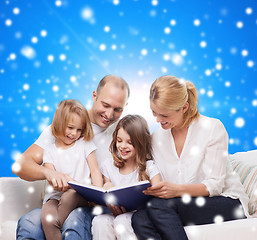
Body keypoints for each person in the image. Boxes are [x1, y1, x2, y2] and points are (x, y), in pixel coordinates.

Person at [131, 75, 250, 240]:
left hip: (226, 201)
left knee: (158, 206)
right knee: (139, 219)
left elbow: (215, 185)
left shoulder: (212, 128)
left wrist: (176, 190)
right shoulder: (157, 138)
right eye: (154, 113)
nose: (158, 120)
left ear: (184, 107)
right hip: (179, 204)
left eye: (164, 115)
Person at [12, 75, 130, 240]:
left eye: (118, 109)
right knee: (29, 223)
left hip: (90, 207)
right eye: (105, 105)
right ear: (94, 96)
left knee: (74, 220)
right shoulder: (62, 128)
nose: (109, 114)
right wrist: (49, 173)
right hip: (58, 202)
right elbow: (20, 166)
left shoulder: (122, 135)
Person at [91, 114, 161, 240]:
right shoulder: (108, 166)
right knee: (100, 221)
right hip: (115, 213)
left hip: (139, 216)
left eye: (130, 142)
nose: (122, 146)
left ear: (140, 143)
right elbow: (106, 194)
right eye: (119, 140)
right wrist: (107, 189)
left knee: (122, 221)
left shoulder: (149, 167)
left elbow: (159, 197)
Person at [41, 99, 103, 239]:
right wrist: (62, 180)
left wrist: (97, 193)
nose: (74, 133)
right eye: (70, 127)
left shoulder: (84, 144)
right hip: (55, 197)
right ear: (58, 124)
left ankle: (62, 226)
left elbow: (95, 170)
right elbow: (51, 176)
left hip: (80, 195)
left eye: (79, 129)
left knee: (70, 195)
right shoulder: (49, 151)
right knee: (47, 218)